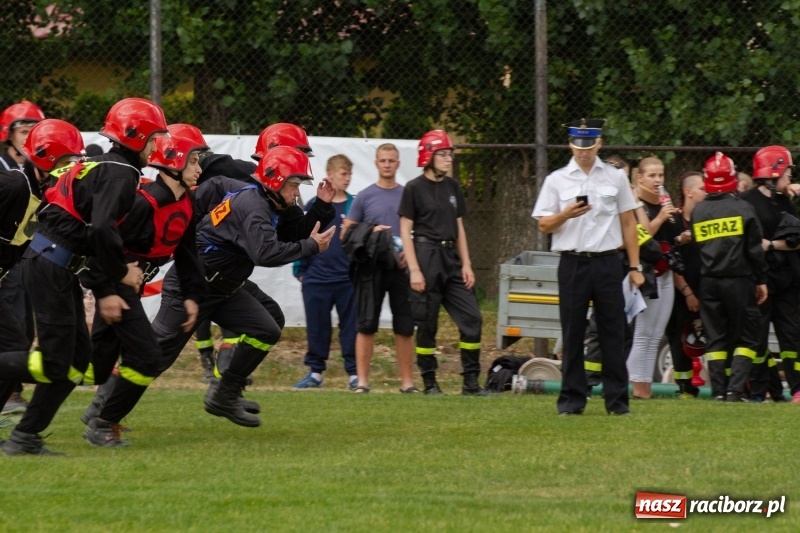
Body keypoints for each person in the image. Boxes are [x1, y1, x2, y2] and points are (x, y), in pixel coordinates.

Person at [0, 97, 163, 455]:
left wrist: (109, 279)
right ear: (134, 135)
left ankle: (25, 437)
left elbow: (90, 229)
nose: (157, 146)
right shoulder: (123, 172)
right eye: (153, 137)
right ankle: (23, 435)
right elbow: (104, 229)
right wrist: (119, 275)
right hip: (49, 265)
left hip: (54, 265)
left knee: (76, 363)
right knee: (57, 362)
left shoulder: (104, 166)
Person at [148, 146, 334, 428]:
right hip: (199, 283)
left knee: (268, 326)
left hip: (223, 284)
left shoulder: (265, 197)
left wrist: (320, 207)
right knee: (154, 358)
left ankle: (225, 394)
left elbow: (290, 231)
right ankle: (103, 409)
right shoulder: (250, 195)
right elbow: (265, 251)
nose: (297, 192)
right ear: (275, 172)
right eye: (295, 183)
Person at [80, 131, 207, 447]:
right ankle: (103, 423)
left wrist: (192, 295)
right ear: (173, 162)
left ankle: (98, 414)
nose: (199, 169)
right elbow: (103, 246)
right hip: (118, 283)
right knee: (148, 356)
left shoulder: (187, 201)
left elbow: (187, 252)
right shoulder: (143, 202)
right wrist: (106, 291)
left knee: (92, 362)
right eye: (193, 160)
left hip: (129, 286)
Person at [532, 118, 644, 416]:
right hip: (572, 263)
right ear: (571, 144)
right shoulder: (557, 180)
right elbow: (544, 223)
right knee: (572, 333)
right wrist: (566, 213)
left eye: (590, 146)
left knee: (613, 331)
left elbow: (628, 223)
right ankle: (571, 400)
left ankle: (617, 402)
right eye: (579, 146)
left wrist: (635, 266)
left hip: (607, 261)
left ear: (600, 144)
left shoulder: (615, 177)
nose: (583, 152)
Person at [0, 119, 86, 424]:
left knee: (15, 347)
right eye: (66, 161)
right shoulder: (12, 185)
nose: (72, 169)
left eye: (74, 161)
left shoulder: (52, 197)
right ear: (45, 161)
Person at [398, 129, 485, 396]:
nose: (449, 160)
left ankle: (471, 384)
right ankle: (430, 383)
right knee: (427, 324)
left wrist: (467, 264)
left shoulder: (453, 187)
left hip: (452, 260)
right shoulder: (413, 188)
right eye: (444, 155)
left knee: (473, 318)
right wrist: (414, 269)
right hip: (426, 257)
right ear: (429, 156)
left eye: (450, 155)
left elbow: (459, 228)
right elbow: (405, 230)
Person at [341, 143, 417, 394]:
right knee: (366, 324)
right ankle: (362, 382)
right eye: (383, 160)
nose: (387, 165)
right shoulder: (364, 196)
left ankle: (407, 383)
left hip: (401, 268)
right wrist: (372, 231)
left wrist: (410, 252)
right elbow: (346, 232)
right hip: (371, 268)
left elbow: (419, 230)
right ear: (376, 163)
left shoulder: (408, 194)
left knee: (404, 326)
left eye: (391, 161)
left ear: (398, 164)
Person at [692, 152, 767, 402]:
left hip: (709, 282)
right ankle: (735, 390)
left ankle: (718, 391)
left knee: (715, 336)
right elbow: (754, 250)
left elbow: (696, 249)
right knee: (747, 335)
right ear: (733, 178)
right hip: (739, 280)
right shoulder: (744, 209)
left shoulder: (699, 211)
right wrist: (761, 280)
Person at [739, 146, 800, 403]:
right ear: (773, 173)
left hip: (788, 279)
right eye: (787, 172)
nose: (790, 177)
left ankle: (797, 388)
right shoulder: (747, 202)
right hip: (760, 279)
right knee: (758, 336)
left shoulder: (786, 200)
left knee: (791, 335)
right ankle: (758, 390)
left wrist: (772, 245)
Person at [293, 154, 357, 390]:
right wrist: (301, 271)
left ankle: (354, 374)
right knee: (317, 328)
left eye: (349, 174)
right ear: (330, 175)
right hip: (316, 280)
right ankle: (315, 373)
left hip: (347, 280)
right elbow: (302, 237)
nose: (347, 178)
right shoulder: (314, 205)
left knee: (351, 328)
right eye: (343, 174)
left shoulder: (354, 206)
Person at [0, 101, 45, 415]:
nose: (30, 138)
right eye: (24, 131)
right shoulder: (10, 177)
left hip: (16, 262)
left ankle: (12, 394)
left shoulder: (34, 175)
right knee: (14, 341)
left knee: (18, 338)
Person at [625, 156, 680, 399]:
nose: (658, 180)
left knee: (657, 334)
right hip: (645, 272)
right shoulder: (633, 204)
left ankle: (645, 384)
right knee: (643, 333)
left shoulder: (663, 201)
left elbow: (667, 238)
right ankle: (637, 385)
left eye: (661, 175)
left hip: (665, 272)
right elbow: (640, 237)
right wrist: (659, 218)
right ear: (639, 178)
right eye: (652, 176)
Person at [664, 171, 707, 398]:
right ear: (688, 192)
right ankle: (685, 387)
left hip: (708, 289)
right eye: (702, 188)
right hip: (681, 291)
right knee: (678, 336)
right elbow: (672, 261)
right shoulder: (674, 222)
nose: (707, 191)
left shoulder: (709, 218)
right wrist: (688, 293)